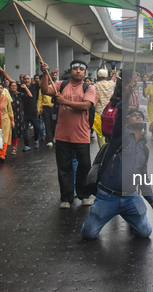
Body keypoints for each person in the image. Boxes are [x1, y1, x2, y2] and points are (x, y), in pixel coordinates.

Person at [81, 108, 153, 239]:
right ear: (126, 124)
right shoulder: (119, 138)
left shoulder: (144, 149)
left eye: (140, 115)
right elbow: (118, 118)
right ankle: (98, 214)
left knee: (145, 232)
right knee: (88, 234)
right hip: (108, 196)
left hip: (130, 198)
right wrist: (124, 95)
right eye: (133, 115)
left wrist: (152, 201)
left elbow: (143, 176)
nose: (138, 116)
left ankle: (131, 218)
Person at [40, 60, 95, 209]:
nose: (78, 71)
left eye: (81, 69)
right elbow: (45, 90)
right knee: (64, 167)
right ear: (70, 71)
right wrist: (44, 73)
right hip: (62, 135)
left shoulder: (89, 88)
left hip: (82, 135)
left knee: (84, 165)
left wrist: (65, 102)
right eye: (75, 69)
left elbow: (86, 105)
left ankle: (84, 194)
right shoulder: (61, 85)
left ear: (85, 73)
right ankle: (66, 197)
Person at [8, 81, 32, 155]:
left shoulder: (19, 94)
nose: (13, 87)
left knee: (16, 131)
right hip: (8, 115)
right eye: (12, 86)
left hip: (18, 115)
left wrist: (25, 88)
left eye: (15, 86)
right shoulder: (7, 94)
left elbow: (30, 96)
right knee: (8, 131)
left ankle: (14, 147)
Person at [94, 68, 116, 147]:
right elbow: (113, 80)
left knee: (100, 135)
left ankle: (102, 151)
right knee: (109, 132)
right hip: (109, 113)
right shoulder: (110, 84)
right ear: (106, 76)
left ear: (98, 76)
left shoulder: (95, 86)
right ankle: (108, 151)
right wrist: (114, 73)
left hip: (99, 114)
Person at [0, 82, 14, 162]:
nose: (0, 90)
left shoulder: (6, 98)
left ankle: (2, 154)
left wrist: (12, 120)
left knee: (5, 137)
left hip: (5, 120)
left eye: (1, 88)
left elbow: (10, 110)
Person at [38, 70, 58, 147]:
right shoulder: (42, 90)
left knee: (54, 124)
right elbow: (40, 99)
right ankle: (49, 140)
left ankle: (54, 136)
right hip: (46, 108)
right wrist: (39, 108)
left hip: (54, 108)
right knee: (47, 124)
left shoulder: (55, 89)